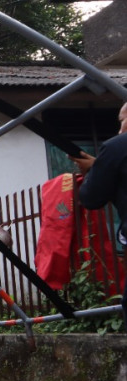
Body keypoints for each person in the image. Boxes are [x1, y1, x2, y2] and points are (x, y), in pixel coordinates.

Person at [71, 101, 127, 317]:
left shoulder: (117, 147)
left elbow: (91, 198)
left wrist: (97, 170)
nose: (119, 128)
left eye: (122, 121)